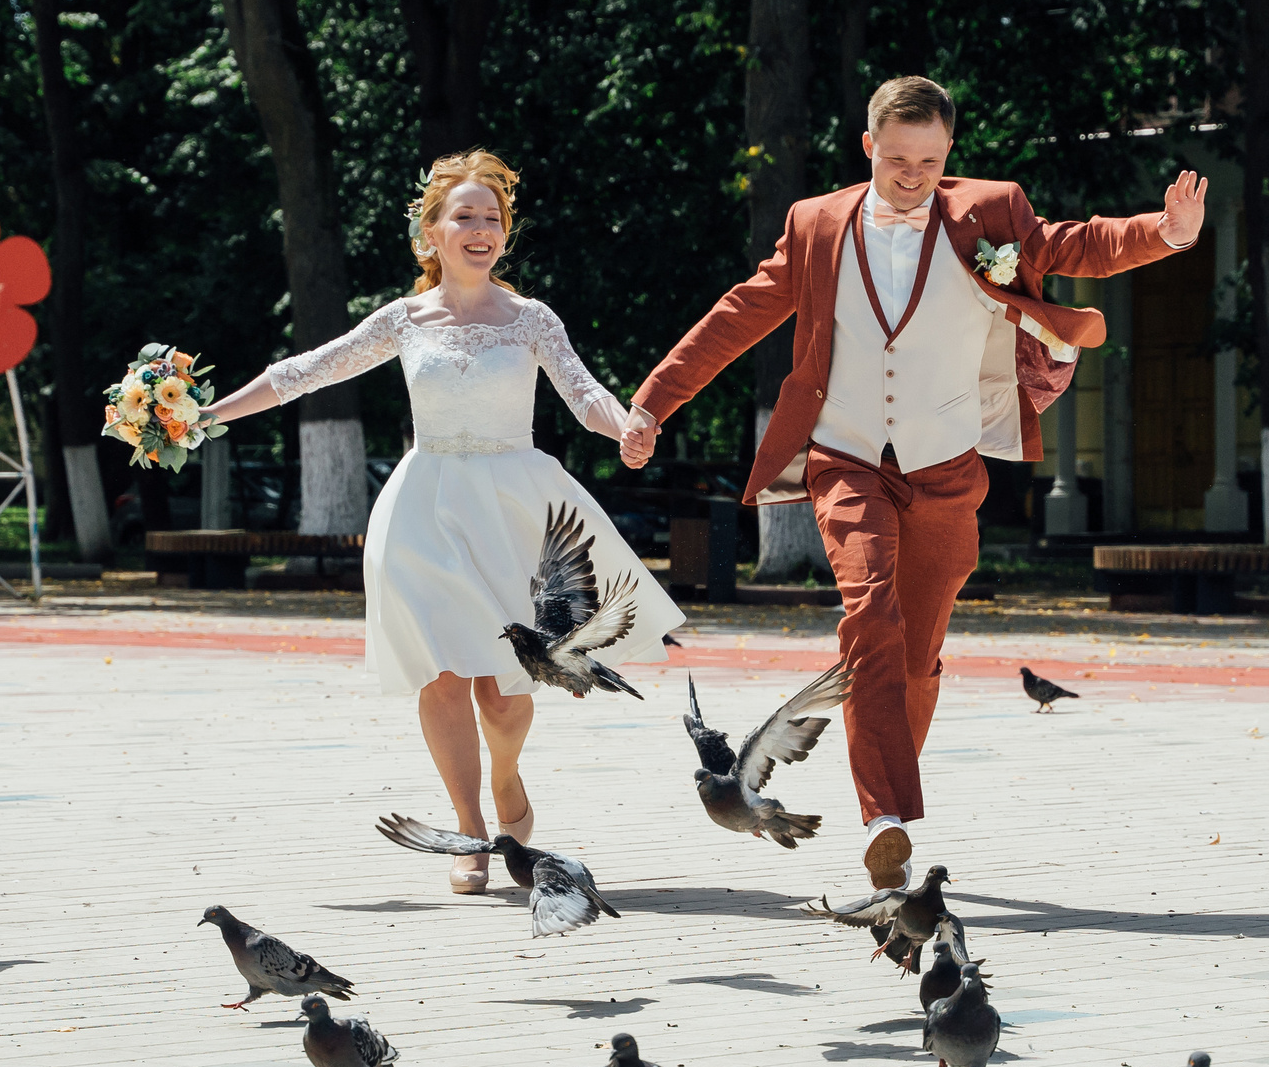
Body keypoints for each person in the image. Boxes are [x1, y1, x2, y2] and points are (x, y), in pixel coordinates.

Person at [621, 75, 1203, 890]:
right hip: (847, 455)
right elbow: (739, 311)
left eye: (930, 159)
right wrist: (653, 401)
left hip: (946, 464)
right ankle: (885, 816)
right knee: (871, 615)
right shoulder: (816, 223)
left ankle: (887, 780)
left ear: (949, 153)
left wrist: (1164, 234)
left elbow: (1073, 245)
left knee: (919, 654)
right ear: (868, 147)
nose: (913, 175)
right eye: (897, 158)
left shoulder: (992, 212)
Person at [212, 150, 683, 892]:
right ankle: (467, 829)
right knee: (442, 675)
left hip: (514, 510)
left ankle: (505, 777)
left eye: (492, 218)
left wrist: (626, 425)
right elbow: (305, 370)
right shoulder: (403, 320)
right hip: (424, 511)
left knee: (504, 688)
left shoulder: (531, 319)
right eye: (463, 215)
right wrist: (208, 416)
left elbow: (585, 393)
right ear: (429, 232)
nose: (480, 229)